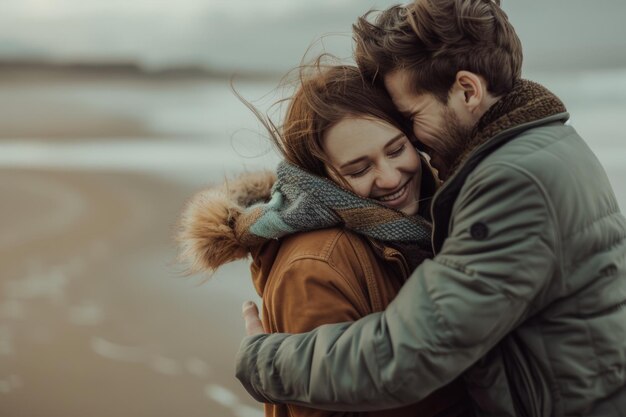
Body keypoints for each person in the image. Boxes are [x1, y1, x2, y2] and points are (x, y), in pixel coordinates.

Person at [235, 1, 626, 416]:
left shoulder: (512, 182)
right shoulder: (547, 145)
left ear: (468, 90)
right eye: (359, 166)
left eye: (410, 119)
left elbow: (411, 354)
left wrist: (263, 361)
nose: (415, 143)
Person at [177, 62, 471, 416]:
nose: (391, 177)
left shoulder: (432, 222)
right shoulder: (314, 264)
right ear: (321, 176)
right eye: (359, 169)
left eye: (396, 150)